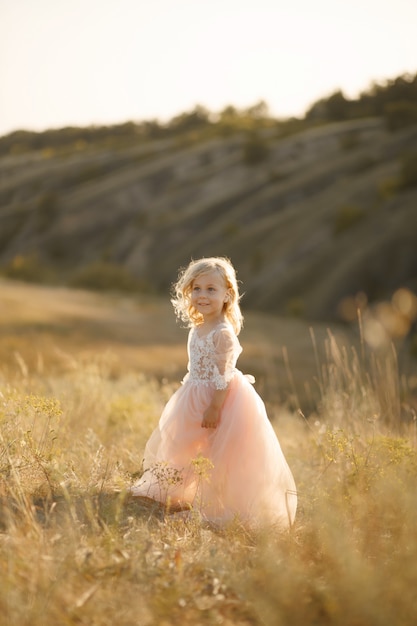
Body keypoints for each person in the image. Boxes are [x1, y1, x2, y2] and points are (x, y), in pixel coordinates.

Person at [130, 257, 297, 528]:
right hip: (194, 396)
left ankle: (215, 504)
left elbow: (224, 375)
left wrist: (215, 407)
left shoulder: (223, 333)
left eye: (211, 289)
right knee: (187, 447)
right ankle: (182, 492)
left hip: (221, 401)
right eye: (197, 288)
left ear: (227, 295)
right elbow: (196, 367)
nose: (202, 295)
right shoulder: (197, 328)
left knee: (218, 454)